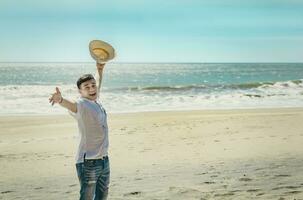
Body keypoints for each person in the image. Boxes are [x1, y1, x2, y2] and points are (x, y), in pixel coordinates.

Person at [49, 63, 110, 200]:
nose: (92, 88)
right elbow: (71, 105)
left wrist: (100, 69)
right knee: (87, 197)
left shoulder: (95, 100)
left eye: (93, 86)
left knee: (102, 196)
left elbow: (98, 81)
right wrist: (60, 100)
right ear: (80, 91)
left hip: (104, 159)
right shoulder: (82, 104)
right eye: (86, 87)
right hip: (88, 162)